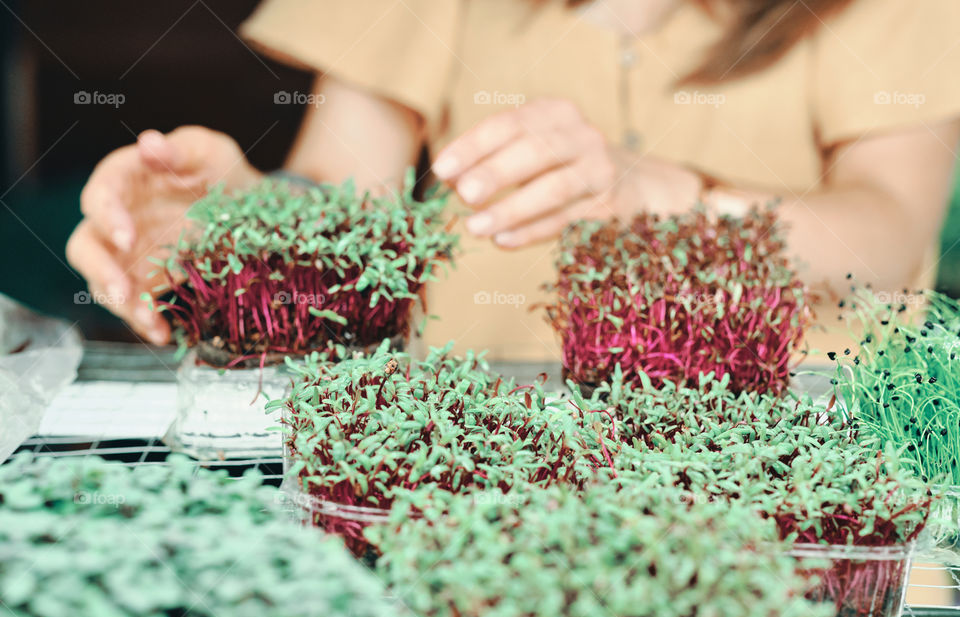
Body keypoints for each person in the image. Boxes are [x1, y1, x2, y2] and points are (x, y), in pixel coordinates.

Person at [66, 0, 960, 361]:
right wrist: (242, 229)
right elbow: (340, 197)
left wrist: (661, 195)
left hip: (801, 496)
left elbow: (885, 232)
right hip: (481, 485)